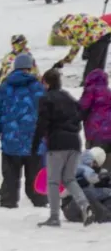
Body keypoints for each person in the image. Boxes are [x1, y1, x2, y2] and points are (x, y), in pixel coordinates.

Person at [33, 69, 96, 226]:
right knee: (69, 179)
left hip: (57, 143)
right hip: (74, 142)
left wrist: (35, 143)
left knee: (53, 181)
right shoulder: (68, 97)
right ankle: (85, 206)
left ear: (46, 83)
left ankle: (54, 217)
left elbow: (42, 123)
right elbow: (81, 113)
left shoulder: (46, 99)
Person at [0, 52, 47, 209]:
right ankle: (40, 200)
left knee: (10, 175)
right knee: (35, 174)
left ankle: (8, 201)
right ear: (30, 67)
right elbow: (47, 112)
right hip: (34, 140)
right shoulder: (38, 87)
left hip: (10, 139)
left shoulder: (5, 86)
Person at [50, 14, 111, 83]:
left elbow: (79, 43)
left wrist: (87, 49)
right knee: (99, 61)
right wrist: (63, 62)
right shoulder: (68, 23)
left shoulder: (72, 26)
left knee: (93, 62)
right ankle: (99, 81)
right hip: (104, 31)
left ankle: (87, 82)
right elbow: (76, 45)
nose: (62, 37)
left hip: (98, 34)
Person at [80, 68, 111, 152]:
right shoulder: (108, 92)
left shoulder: (90, 91)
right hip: (109, 133)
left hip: (95, 132)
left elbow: (82, 108)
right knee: (107, 160)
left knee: (94, 159)